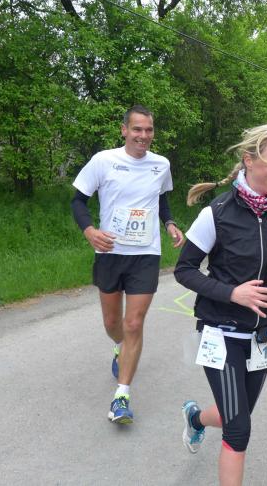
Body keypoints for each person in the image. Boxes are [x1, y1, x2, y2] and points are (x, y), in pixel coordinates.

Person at [174, 124, 267, 486]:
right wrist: (233, 294)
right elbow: (184, 270)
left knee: (238, 414)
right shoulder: (217, 213)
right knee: (239, 429)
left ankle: (195, 418)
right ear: (249, 159)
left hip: (263, 335)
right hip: (221, 332)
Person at [71, 104, 185, 424]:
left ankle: (121, 396)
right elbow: (78, 201)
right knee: (113, 323)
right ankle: (119, 345)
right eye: (137, 129)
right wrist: (89, 231)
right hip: (110, 252)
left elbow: (161, 199)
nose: (143, 136)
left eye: (148, 130)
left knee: (134, 322)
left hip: (146, 254)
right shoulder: (103, 161)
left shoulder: (161, 164)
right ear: (124, 130)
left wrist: (170, 223)